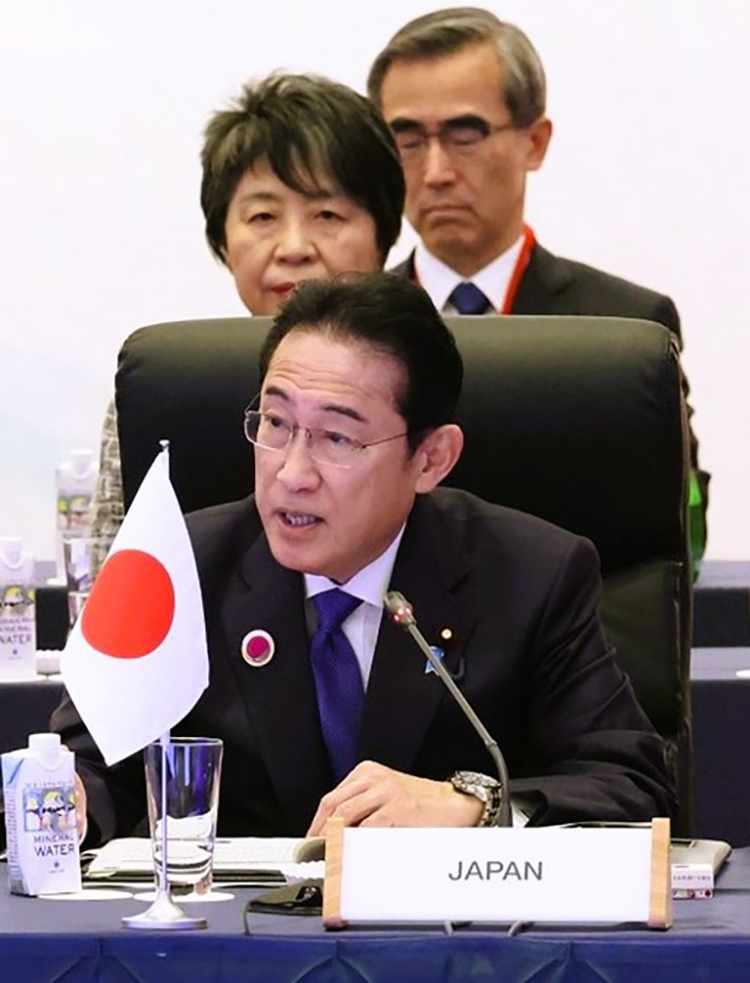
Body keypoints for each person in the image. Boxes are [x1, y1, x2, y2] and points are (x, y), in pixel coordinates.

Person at [53, 273, 676, 845]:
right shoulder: (176, 566)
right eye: (275, 423)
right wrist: (69, 801)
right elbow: (86, 767)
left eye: (338, 437)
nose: (291, 473)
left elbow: (632, 787)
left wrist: (475, 806)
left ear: (431, 459)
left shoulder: (531, 575)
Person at [367, 7, 708, 562]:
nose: (435, 172)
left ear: (535, 141)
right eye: (407, 140)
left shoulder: (623, 329)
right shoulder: (353, 329)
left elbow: (678, 526)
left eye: (465, 135)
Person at [89, 72, 405, 543]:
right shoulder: (164, 387)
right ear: (223, 239)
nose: (293, 248)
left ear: (384, 234)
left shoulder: (427, 378)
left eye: (327, 215)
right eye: (263, 216)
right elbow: (115, 571)